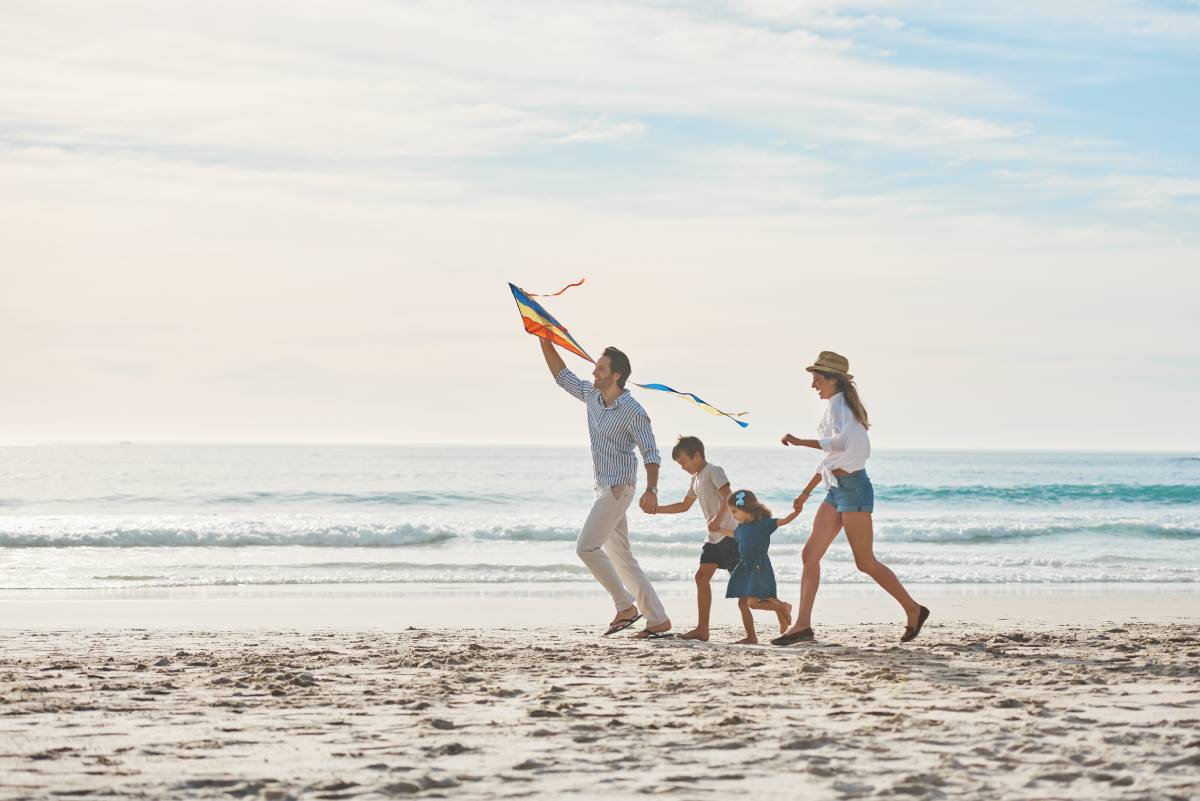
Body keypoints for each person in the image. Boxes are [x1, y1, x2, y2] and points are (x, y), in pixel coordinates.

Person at [773, 351, 929, 646]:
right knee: (809, 555)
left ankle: (913, 609)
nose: (813, 385)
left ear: (833, 380)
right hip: (836, 489)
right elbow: (831, 457)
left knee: (865, 562)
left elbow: (844, 444)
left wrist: (800, 441)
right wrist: (806, 491)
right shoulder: (835, 407)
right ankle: (802, 625)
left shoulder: (843, 406)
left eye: (817, 379)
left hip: (854, 488)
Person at [537, 338, 672, 639]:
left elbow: (651, 453)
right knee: (623, 559)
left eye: (600, 369)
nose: (594, 373)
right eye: (595, 368)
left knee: (585, 547)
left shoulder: (633, 411)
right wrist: (544, 339)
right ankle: (658, 619)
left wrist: (652, 490)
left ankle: (625, 607)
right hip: (603, 487)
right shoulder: (592, 396)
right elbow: (561, 376)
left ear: (616, 375)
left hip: (619, 488)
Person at [651, 435, 738, 641]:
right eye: (679, 464)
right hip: (713, 538)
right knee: (701, 577)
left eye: (684, 462)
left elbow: (729, 497)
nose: (682, 467)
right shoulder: (695, 478)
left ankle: (780, 606)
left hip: (729, 536)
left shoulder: (714, 471)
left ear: (697, 455)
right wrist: (656, 509)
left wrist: (718, 518)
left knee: (743, 587)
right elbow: (684, 505)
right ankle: (702, 629)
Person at [712, 489, 796, 645]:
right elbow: (734, 534)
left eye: (734, 511)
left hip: (758, 566)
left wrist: (796, 511)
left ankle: (782, 607)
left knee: (752, 603)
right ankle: (776, 612)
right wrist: (719, 530)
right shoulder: (741, 528)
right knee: (747, 602)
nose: (733, 516)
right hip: (745, 566)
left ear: (746, 508)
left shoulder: (764, 524)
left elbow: (784, 521)